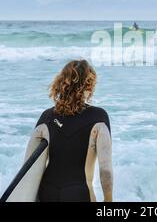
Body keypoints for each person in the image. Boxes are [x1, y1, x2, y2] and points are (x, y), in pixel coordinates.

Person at [24, 60, 113, 202]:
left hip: (47, 192)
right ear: (89, 85)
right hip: (79, 194)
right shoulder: (99, 118)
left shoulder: (46, 117)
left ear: (61, 83)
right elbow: (105, 170)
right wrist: (109, 200)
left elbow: (28, 168)